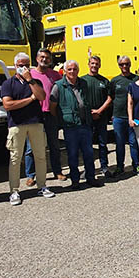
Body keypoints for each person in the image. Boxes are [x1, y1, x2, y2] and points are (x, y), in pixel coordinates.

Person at [1, 52, 55, 203]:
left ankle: (42, 186)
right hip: (16, 125)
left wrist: (30, 80)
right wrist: (30, 99)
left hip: (36, 122)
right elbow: (8, 105)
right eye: (20, 65)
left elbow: (42, 97)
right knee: (15, 158)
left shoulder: (35, 82)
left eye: (26, 65)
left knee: (40, 156)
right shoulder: (8, 84)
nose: (23, 68)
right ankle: (14, 191)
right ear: (15, 66)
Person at [50, 60, 103, 189]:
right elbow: (52, 106)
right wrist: (63, 119)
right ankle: (75, 180)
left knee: (88, 153)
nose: (72, 72)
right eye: (69, 69)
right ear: (65, 71)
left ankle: (90, 178)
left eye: (74, 69)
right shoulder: (59, 86)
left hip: (85, 124)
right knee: (73, 154)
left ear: (78, 70)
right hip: (70, 126)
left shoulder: (83, 83)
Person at [32, 48, 66, 182]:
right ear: (37, 59)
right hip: (35, 115)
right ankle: (31, 175)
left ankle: (57, 171)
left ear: (50, 60)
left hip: (51, 114)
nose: (44, 59)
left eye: (47, 58)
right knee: (32, 147)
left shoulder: (56, 75)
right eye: (42, 57)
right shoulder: (30, 74)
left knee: (54, 145)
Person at [81, 55, 113, 178]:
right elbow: (79, 98)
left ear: (100, 65)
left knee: (102, 144)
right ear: (88, 64)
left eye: (96, 63)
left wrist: (99, 111)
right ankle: (88, 169)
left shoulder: (104, 81)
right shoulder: (82, 81)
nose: (94, 65)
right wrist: (89, 112)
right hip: (87, 118)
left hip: (101, 117)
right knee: (87, 145)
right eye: (92, 63)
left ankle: (104, 167)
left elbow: (109, 98)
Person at [109, 55, 139, 177]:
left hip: (133, 117)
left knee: (133, 142)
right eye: (122, 64)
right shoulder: (115, 81)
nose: (124, 66)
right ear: (119, 66)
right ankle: (119, 167)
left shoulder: (136, 79)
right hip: (118, 117)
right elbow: (111, 97)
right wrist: (112, 114)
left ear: (130, 64)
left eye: (127, 64)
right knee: (120, 143)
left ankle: (136, 165)